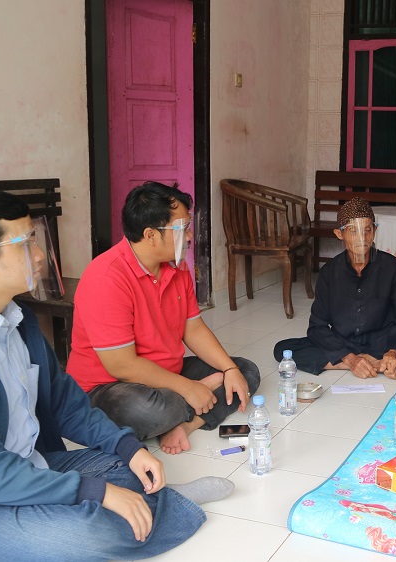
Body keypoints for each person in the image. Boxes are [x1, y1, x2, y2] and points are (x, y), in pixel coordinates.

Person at [0, 190, 223, 562]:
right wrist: (99, 494)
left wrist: (128, 448)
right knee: (89, 533)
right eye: (26, 243)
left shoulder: (16, 319)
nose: (40, 255)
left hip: (25, 465)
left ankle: (137, 504)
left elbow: (67, 405)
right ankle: (152, 506)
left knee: (125, 466)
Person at [67, 181, 259, 455]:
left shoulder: (178, 268)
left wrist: (229, 370)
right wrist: (188, 388)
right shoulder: (106, 277)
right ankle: (189, 403)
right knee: (150, 410)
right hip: (109, 387)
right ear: (151, 235)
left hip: (166, 373)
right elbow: (122, 365)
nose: (190, 236)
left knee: (245, 371)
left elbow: (193, 329)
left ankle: (187, 424)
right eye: (183, 228)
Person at [274, 197, 396, 378]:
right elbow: (317, 326)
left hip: (383, 343)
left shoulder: (393, 268)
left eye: (367, 230)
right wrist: (350, 359)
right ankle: (364, 365)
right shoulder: (329, 272)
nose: (362, 238)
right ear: (339, 234)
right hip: (343, 343)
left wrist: (393, 352)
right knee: (282, 350)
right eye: (353, 231)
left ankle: (373, 361)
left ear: (375, 231)